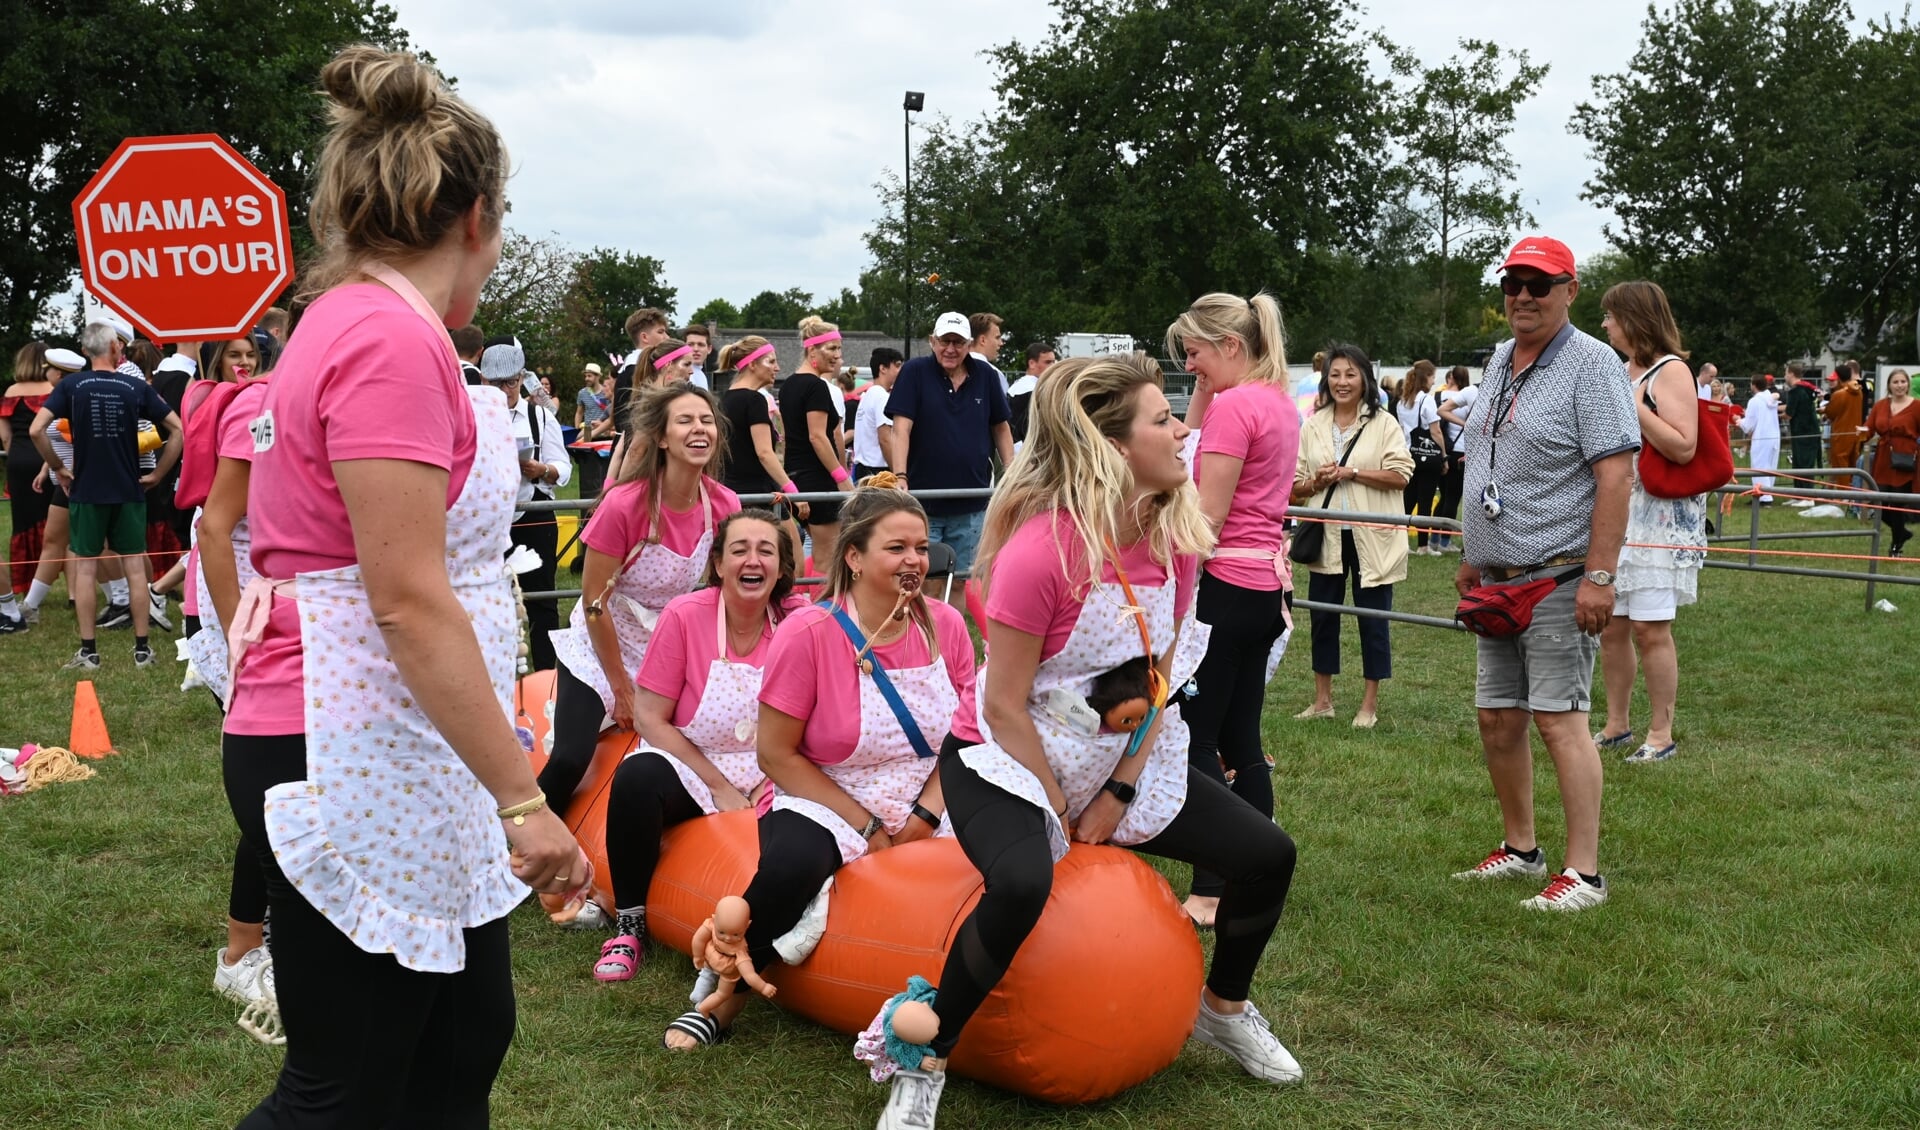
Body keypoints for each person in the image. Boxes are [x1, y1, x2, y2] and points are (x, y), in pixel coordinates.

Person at [217, 45, 586, 1127]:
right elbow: (406, 597)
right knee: (344, 1089)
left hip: (398, 736)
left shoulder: (359, 319)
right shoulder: (385, 337)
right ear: (478, 218)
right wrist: (523, 798)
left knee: (461, 1044)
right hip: (345, 741)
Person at [863, 356, 1302, 1128]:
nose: (1180, 431)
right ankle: (927, 1056)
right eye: (1162, 419)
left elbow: (1161, 673)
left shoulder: (1179, 538)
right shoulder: (1042, 552)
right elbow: (1001, 707)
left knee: (1268, 856)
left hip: (1113, 754)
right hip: (1002, 759)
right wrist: (1061, 810)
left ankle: (1225, 1009)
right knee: (1027, 882)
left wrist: (1122, 789)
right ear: (1112, 446)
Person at [660, 480, 979, 1051]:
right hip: (829, 791)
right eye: (896, 548)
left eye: (921, 548)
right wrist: (865, 826)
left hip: (932, 790)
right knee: (791, 865)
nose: (914, 561)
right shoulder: (809, 632)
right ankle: (726, 990)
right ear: (853, 557)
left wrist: (925, 817)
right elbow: (775, 753)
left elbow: (964, 736)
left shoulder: (947, 626)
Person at [1452, 236, 1639, 913]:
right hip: (1498, 573)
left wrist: (1599, 575)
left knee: (1561, 720)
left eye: (1539, 283)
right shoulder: (1502, 357)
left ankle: (1584, 875)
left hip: (1559, 574)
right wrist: (1473, 551)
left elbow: (1616, 475)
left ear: (1570, 289)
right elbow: (1487, 459)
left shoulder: (1594, 364)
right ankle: (1522, 849)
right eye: (1514, 283)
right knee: (1498, 718)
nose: (1523, 296)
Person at [592, 510, 807, 982]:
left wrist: (769, 779)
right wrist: (721, 786)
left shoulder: (802, 624)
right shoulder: (686, 616)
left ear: (783, 568)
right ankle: (629, 923)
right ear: (718, 563)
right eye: (740, 550)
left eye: (766, 550)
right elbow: (650, 716)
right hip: (694, 762)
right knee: (636, 777)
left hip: (778, 768)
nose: (753, 560)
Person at [1164, 292, 1298, 929]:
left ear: (1230, 347)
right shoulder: (1275, 401)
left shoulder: (1237, 406)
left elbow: (1205, 517)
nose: (1190, 367)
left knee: (1197, 740)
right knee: (1244, 741)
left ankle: (1211, 886)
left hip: (1222, 589)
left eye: (1194, 354)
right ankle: (1256, 866)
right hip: (1263, 588)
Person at [542, 382, 740, 812]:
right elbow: (595, 604)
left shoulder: (724, 505)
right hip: (601, 642)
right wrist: (620, 688)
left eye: (707, 420)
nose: (699, 428)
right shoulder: (625, 505)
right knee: (570, 758)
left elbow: (725, 595)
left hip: (666, 649)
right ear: (663, 438)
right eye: (685, 421)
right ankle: (525, 847)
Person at [185, 349, 277, 1024]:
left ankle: (277, 931)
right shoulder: (261, 405)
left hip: (294, 615)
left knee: (302, 787)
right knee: (274, 791)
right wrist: (238, 633)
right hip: (250, 612)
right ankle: (242, 952)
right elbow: (216, 528)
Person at [1594, 281, 1705, 765]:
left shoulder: (1673, 371)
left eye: (1611, 316)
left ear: (1635, 318)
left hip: (1660, 520)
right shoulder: (1618, 370)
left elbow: (1684, 445)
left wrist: (1632, 405)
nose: (1604, 325)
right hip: (1620, 515)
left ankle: (1661, 732)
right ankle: (1617, 723)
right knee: (1612, 625)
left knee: (1650, 628)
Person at [30, 321, 182, 670]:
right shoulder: (135, 386)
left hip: (86, 489)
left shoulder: (71, 385)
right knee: (133, 566)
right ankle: (142, 650)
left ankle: (89, 652)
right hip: (129, 488)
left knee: (85, 568)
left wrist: (58, 468)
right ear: (117, 350)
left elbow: (38, 429)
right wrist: (158, 474)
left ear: (84, 351)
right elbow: (177, 429)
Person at [1290, 345, 1412, 728]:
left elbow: (1401, 474)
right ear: (1326, 379)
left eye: (1350, 374)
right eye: (1336, 374)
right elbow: (1294, 488)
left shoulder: (1384, 423)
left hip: (1371, 537)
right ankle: (1322, 700)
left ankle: (1369, 706)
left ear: (1365, 379)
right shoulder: (1312, 426)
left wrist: (1353, 472)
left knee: (1372, 620)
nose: (1342, 382)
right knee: (1323, 618)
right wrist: (1317, 480)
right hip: (1326, 536)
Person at [886, 311, 1015, 600]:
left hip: (971, 504)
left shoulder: (987, 376)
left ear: (969, 344)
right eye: (945, 341)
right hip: (924, 502)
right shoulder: (915, 372)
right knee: (922, 579)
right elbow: (901, 428)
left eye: (958, 342)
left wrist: (1013, 475)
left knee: (958, 581)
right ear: (933, 341)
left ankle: (951, 642)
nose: (951, 349)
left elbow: (1001, 428)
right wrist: (900, 476)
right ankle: (921, 641)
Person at [481, 337, 569, 672]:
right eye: (494, 383)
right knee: (493, 600)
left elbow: (562, 467)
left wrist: (540, 469)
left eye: (511, 382)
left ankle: (546, 679)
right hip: (489, 520)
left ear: (521, 379)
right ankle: (497, 675)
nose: (503, 391)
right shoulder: (471, 414)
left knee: (543, 601)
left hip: (533, 516)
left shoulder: (540, 417)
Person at [779, 315, 853, 570]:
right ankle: (820, 610)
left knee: (822, 556)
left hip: (798, 476)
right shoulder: (815, 387)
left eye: (838, 348)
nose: (837, 355)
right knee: (828, 559)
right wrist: (841, 476)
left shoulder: (789, 385)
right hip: (817, 479)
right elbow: (817, 436)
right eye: (831, 348)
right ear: (812, 349)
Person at [1, 342, 54, 629]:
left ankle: (23, 585)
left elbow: (5, 438)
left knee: (23, 525)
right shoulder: (54, 388)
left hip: (18, 462)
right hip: (48, 457)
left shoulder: (11, 392)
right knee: (57, 526)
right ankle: (67, 589)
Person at [609, 338, 695, 480]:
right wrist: (621, 492)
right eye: (686, 364)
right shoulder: (656, 402)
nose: (691, 371)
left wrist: (611, 484)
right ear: (668, 366)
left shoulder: (645, 396)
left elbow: (622, 446)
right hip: (650, 484)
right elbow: (636, 450)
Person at [716, 337, 790, 499]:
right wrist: (792, 490)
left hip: (730, 490)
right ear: (752, 364)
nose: (777, 368)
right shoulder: (754, 400)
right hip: (756, 491)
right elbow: (764, 452)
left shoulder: (724, 399)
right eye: (771, 362)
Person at [1395, 360, 1448, 555]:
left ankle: (1401, 542)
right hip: (1427, 456)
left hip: (1409, 454)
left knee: (1407, 501)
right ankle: (1423, 545)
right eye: (1433, 376)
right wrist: (1443, 455)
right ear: (1426, 377)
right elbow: (1436, 431)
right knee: (1425, 500)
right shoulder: (1426, 400)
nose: (1434, 381)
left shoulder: (1403, 401)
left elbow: (1402, 430)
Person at [1865, 369, 1916, 556]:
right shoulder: (1880, 406)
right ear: (1889, 385)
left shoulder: (1917, 406)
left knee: (1896, 502)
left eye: (1903, 381)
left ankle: (1896, 545)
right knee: (1877, 501)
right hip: (1884, 458)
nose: (1900, 385)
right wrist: (1862, 431)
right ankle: (1902, 532)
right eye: (1896, 382)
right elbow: (1869, 427)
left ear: (1908, 385)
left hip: (1906, 459)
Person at [1433, 366, 1477, 553]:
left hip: (1445, 449)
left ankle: (1433, 537)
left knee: (1443, 497)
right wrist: (1466, 424)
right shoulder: (1469, 395)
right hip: (1461, 451)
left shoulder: (1438, 395)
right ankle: (1445, 541)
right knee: (1453, 497)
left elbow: (1440, 413)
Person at [612, 308, 671, 436]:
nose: (667, 337)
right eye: (661, 332)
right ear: (644, 337)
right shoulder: (640, 367)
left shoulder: (630, 364)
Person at [853, 348, 903, 480]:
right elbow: (885, 439)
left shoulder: (867, 396)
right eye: (897, 366)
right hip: (877, 471)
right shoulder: (881, 396)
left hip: (862, 469)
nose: (901, 371)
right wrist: (898, 474)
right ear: (883, 368)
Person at [1005, 341, 1056, 446]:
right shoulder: (1032, 390)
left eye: (1053, 362)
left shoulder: (1016, 387)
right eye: (1048, 362)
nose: (1052, 366)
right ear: (1032, 363)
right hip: (1025, 450)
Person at [1741, 375, 1782, 502]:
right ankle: (1767, 492)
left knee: (1759, 465)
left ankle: (1763, 495)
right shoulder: (1770, 398)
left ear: (1754, 385)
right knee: (1770, 464)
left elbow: (1749, 425)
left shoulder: (1754, 401)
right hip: (1774, 436)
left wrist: (1739, 421)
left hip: (1761, 437)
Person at [1824, 365, 1864, 471]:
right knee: (1852, 466)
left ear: (1839, 378)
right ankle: (1851, 487)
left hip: (1840, 436)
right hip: (1855, 434)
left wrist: (1824, 410)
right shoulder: (1859, 391)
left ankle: (1843, 488)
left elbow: (1830, 413)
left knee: (1840, 468)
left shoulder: (1839, 394)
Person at [1784, 363, 1821, 470]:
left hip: (1801, 434)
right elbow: (1796, 406)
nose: (1785, 376)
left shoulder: (1795, 391)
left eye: (1786, 373)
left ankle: (1802, 487)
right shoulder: (1807, 389)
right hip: (1812, 432)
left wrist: (1774, 415)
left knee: (1800, 467)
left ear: (1791, 374)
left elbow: (1788, 415)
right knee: (1807, 467)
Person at [682, 325, 713, 390]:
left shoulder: (701, 375)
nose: (696, 349)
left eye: (701, 345)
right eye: (690, 345)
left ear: (709, 349)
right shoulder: (680, 375)